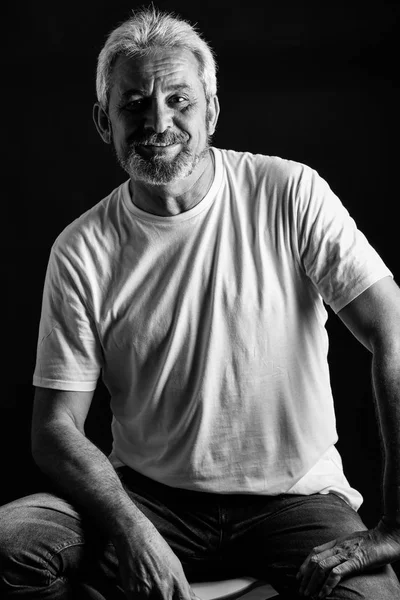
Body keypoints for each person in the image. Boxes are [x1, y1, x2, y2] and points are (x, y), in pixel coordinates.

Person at [1, 6, 400, 600]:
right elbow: (54, 428)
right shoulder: (81, 249)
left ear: (211, 110)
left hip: (294, 500)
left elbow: (392, 333)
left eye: (179, 101)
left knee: (372, 598)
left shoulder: (289, 193)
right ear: (102, 121)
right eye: (133, 104)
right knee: (10, 544)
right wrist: (133, 529)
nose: (157, 120)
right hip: (149, 497)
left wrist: (395, 523)